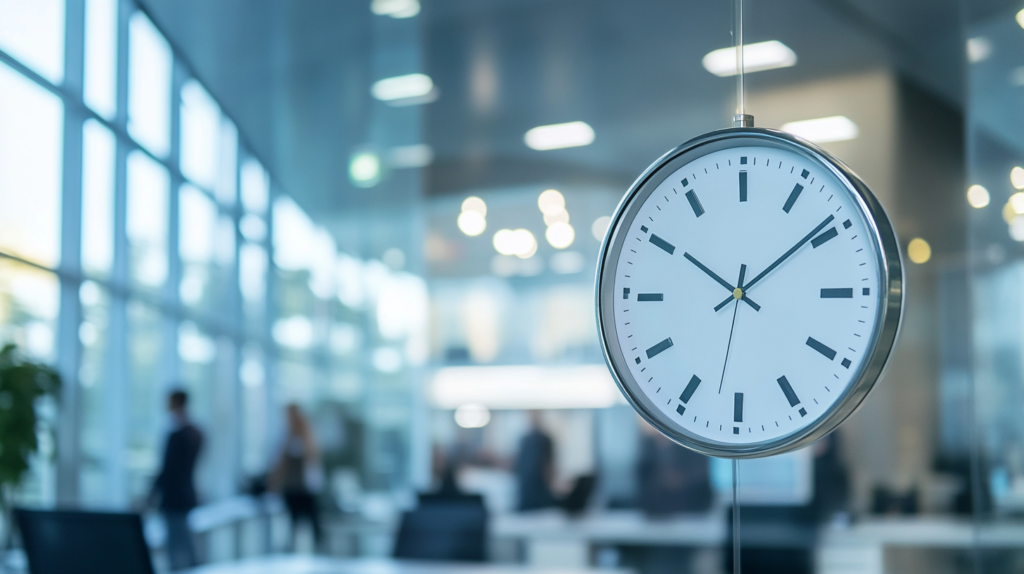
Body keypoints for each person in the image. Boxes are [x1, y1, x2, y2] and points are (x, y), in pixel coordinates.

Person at [149, 389, 204, 571]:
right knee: (186, 542)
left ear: (175, 403)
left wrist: (150, 495)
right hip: (187, 494)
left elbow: (167, 470)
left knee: (175, 548)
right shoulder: (196, 433)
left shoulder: (177, 436)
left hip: (173, 498)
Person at [270, 404, 324, 550]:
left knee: (313, 521)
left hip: (306, 488)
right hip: (291, 487)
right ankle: (292, 550)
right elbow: (279, 464)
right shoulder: (285, 437)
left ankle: (319, 550)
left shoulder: (308, 436)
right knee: (293, 522)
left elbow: (312, 460)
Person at [514, 411, 558, 510]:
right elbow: (518, 466)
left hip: (541, 491)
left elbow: (549, 466)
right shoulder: (524, 439)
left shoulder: (545, 439)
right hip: (526, 492)